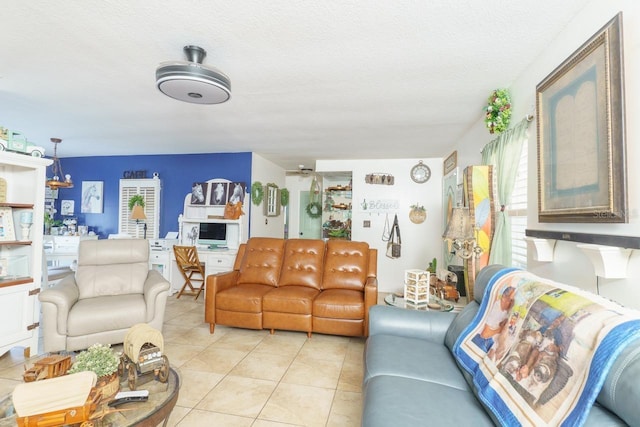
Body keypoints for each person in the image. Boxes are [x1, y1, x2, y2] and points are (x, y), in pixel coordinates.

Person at [471, 286, 516, 352]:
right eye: (511, 300)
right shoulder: (496, 308)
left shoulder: (506, 310)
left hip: (491, 339)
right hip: (482, 339)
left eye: (513, 301)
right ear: (503, 297)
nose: (512, 303)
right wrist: (500, 330)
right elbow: (484, 334)